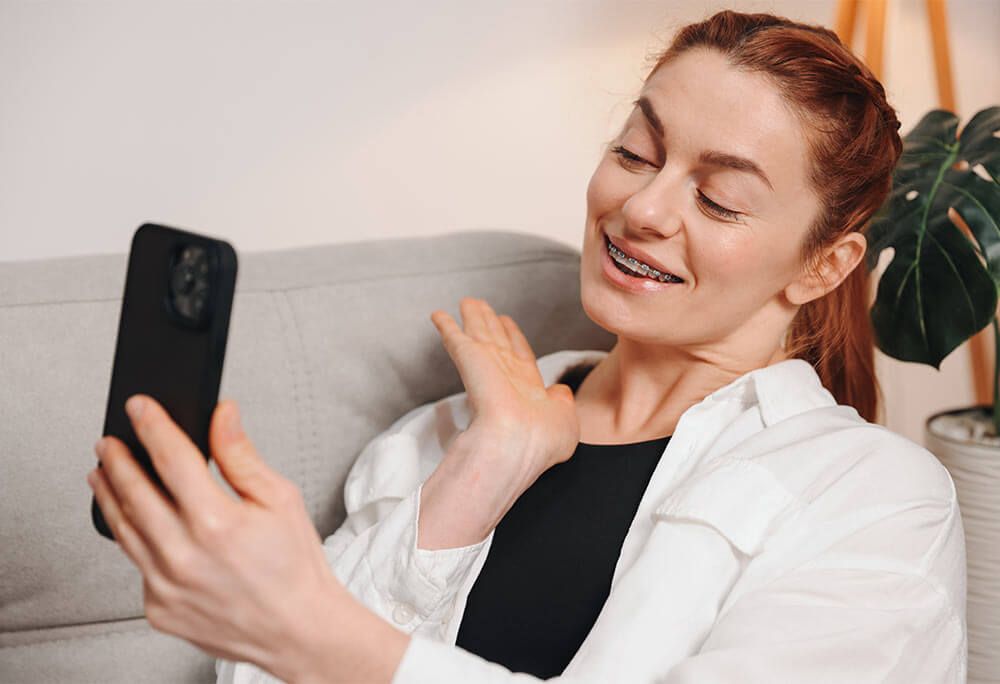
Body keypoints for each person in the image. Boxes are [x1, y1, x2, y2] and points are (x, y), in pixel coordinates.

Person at [86, 9, 966, 684]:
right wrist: (488, 465)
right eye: (635, 151)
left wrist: (335, 638)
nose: (643, 210)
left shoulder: (876, 500)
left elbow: (307, 641)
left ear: (823, 265)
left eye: (719, 200)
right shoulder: (451, 432)